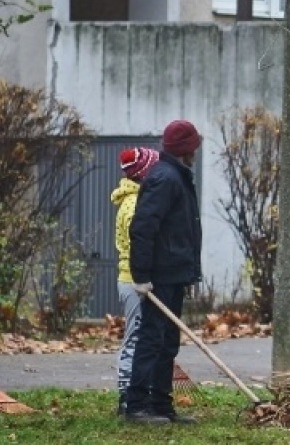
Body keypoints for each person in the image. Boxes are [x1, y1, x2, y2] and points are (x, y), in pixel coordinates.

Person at [124, 120, 203, 426]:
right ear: (185, 150)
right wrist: (141, 275)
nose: (196, 151)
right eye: (193, 146)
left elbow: (183, 230)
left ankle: (161, 406)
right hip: (159, 276)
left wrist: (190, 273)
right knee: (151, 340)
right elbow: (143, 229)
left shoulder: (177, 176)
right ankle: (137, 406)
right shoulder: (165, 179)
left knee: (167, 342)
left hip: (174, 274)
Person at [112, 146, 159, 416]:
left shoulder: (139, 199)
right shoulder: (133, 206)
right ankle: (126, 395)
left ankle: (138, 391)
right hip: (134, 281)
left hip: (136, 280)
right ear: (144, 173)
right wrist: (145, 278)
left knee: (141, 336)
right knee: (134, 338)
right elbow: (138, 246)